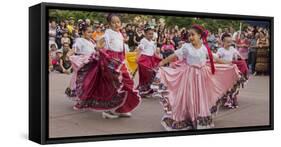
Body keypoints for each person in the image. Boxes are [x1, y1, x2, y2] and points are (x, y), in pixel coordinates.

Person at [157, 24, 243, 131]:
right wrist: (162, 62)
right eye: (189, 35)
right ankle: (188, 117)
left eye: (193, 35)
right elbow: (174, 55)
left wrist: (229, 63)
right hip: (189, 75)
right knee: (189, 96)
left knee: (201, 96)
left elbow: (215, 59)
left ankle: (198, 116)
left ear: (199, 36)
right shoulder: (186, 47)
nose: (190, 37)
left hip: (202, 76)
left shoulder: (205, 48)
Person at [66, 14, 141, 119]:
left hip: (120, 61)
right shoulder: (107, 34)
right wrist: (102, 51)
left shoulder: (119, 33)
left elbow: (121, 48)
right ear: (109, 24)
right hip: (111, 61)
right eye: (114, 22)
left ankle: (121, 108)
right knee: (115, 86)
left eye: (118, 22)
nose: (116, 24)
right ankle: (110, 110)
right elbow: (98, 46)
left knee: (127, 83)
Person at [217, 33, 248, 108]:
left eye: (230, 42)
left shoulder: (232, 49)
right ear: (223, 42)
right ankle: (226, 98)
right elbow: (217, 58)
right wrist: (224, 61)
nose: (229, 44)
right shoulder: (221, 50)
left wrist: (239, 58)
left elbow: (239, 56)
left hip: (231, 69)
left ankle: (233, 97)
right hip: (224, 70)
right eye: (227, 42)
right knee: (225, 85)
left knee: (233, 84)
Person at [136, 26, 162, 97]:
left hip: (151, 59)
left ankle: (148, 90)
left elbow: (154, 52)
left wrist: (158, 58)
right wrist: (137, 58)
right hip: (144, 59)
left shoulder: (153, 42)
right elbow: (140, 49)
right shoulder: (143, 40)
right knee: (146, 75)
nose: (151, 35)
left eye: (152, 34)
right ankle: (143, 90)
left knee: (152, 74)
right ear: (145, 34)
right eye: (149, 34)